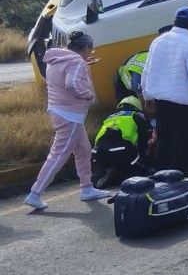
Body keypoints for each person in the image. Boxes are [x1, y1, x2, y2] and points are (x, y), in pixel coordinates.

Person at [24, 31, 111, 210]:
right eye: (90, 49)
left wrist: (83, 65)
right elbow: (72, 84)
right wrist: (88, 95)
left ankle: (86, 188)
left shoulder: (59, 58)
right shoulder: (76, 62)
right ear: (85, 47)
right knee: (59, 154)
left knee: (84, 150)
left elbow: (66, 74)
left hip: (59, 110)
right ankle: (35, 193)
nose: (90, 52)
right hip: (70, 114)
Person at [141, 7, 188, 176]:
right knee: (183, 142)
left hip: (161, 101)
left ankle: (160, 177)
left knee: (164, 141)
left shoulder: (158, 41)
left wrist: (147, 96)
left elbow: (148, 70)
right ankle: (183, 178)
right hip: (183, 103)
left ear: (174, 21)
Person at [91, 95, 152, 188]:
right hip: (121, 151)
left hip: (98, 151)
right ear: (137, 107)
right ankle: (120, 175)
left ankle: (103, 173)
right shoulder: (136, 116)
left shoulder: (109, 118)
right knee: (140, 170)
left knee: (107, 163)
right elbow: (144, 140)